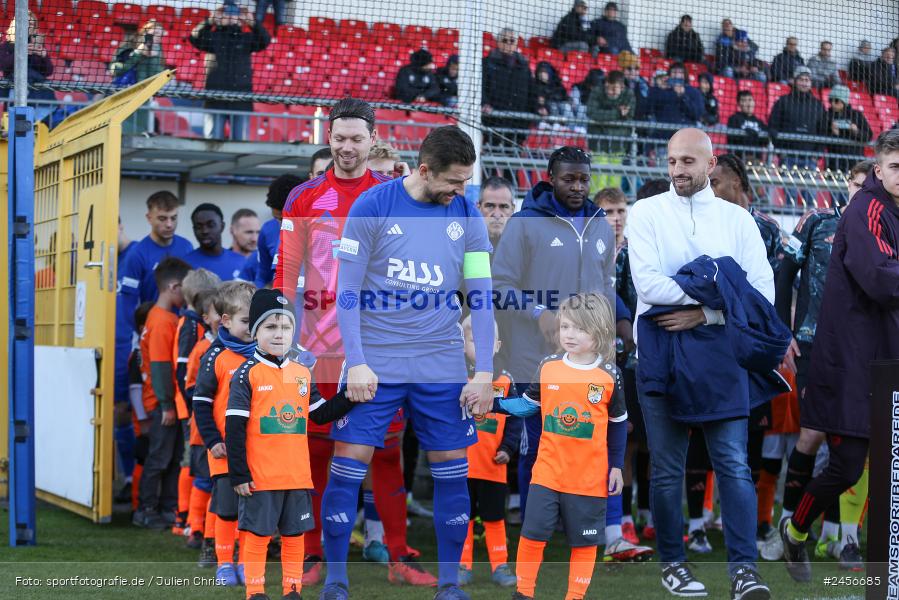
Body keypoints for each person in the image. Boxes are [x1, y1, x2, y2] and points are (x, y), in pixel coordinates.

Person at [320, 126, 494, 600]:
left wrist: (483, 374)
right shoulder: (373, 206)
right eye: (454, 183)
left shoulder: (467, 215)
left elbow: (480, 299)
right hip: (375, 364)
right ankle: (335, 581)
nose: (461, 192)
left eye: (466, 183)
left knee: (451, 472)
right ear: (423, 170)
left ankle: (450, 585)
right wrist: (355, 362)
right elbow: (347, 293)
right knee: (348, 468)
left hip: (441, 364)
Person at [628, 128, 777, 598]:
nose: (678, 171)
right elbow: (648, 287)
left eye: (688, 162)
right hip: (660, 351)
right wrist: (725, 294)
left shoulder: (738, 220)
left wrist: (706, 312)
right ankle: (674, 563)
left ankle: (744, 571)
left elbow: (764, 294)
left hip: (720, 355)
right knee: (668, 468)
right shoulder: (646, 211)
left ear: (710, 165)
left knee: (733, 463)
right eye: (672, 161)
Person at [275, 98, 412, 588]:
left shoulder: (393, 193)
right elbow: (286, 273)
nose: (348, 147)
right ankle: (313, 558)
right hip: (318, 348)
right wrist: (284, 340)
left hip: (378, 347)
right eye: (340, 138)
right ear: (328, 138)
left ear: (372, 139)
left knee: (388, 451)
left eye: (357, 138)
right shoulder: (303, 198)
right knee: (312, 450)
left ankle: (399, 556)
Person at [778, 129, 899, 583]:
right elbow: (881, 278)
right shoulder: (866, 209)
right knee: (848, 466)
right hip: (854, 362)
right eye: (895, 167)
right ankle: (795, 531)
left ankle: (880, 566)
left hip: (887, 358)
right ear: (878, 168)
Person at [492, 146, 616, 525]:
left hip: (590, 361)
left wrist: (610, 330)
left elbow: (607, 284)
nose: (578, 186)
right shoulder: (524, 223)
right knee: (539, 447)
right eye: (569, 179)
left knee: (587, 442)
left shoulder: (599, 223)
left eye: (583, 179)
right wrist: (540, 314)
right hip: (536, 359)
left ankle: (583, 527)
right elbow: (499, 285)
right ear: (550, 178)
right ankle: (534, 529)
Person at [226, 289, 355, 600]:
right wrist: (240, 475)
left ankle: (292, 590)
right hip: (261, 477)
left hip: (297, 476)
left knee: (295, 534)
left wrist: (350, 394)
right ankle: (255, 592)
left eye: (285, 327)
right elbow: (234, 428)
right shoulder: (246, 374)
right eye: (270, 327)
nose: (279, 334)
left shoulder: (301, 373)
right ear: (255, 332)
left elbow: (321, 414)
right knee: (257, 535)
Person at [496, 293, 627, 600]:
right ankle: (523, 593)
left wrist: (617, 466)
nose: (569, 334)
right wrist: (493, 405)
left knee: (584, 543)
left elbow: (619, 423)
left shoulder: (609, 375)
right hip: (547, 474)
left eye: (579, 328)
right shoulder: (548, 366)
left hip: (589, 480)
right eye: (565, 326)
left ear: (598, 332)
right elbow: (527, 406)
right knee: (532, 534)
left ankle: (574, 596)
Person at [594, 187, 652, 547]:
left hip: (631, 361)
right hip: (594, 361)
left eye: (620, 211)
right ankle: (613, 520)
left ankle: (628, 519)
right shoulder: (588, 254)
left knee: (631, 439)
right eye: (608, 212)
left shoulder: (636, 253)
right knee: (614, 443)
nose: (616, 218)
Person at [116, 192, 194, 455]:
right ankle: (137, 481)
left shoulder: (185, 247)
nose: (168, 224)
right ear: (149, 218)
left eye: (173, 218)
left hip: (180, 334)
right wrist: (139, 335)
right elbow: (127, 306)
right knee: (145, 406)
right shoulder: (137, 254)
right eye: (162, 218)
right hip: (151, 335)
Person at [193, 280, 258, 586]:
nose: (253, 327)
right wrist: (213, 440)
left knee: (252, 511)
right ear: (226, 321)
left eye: (257, 320)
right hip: (224, 451)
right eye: (246, 321)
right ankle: (224, 564)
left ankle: (246, 563)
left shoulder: (266, 356)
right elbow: (201, 404)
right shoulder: (214, 357)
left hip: (258, 452)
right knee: (228, 510)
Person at [456, 316, 520, 588]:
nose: (480, 346)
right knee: (463, 517)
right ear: (463, 345)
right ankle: (462, 565)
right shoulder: (457, 378)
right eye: (473, 340)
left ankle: (500, 565)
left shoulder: (506, 382)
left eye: (486, 341)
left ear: (497, 345)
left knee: (495, 517)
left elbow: (516, 420)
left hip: (494, 467)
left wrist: (508, 448)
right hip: (462, 467)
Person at [133, 257, 193, 529]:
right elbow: (159, 367)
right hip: (162, 403)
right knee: (158, 458)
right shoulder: (161, 321)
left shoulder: (165, 318)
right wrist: (167, 404)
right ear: (173, 286)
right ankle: (146, 510)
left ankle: (168, 507)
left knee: (170, 457)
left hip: (167, 402)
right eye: (186, 289)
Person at [172, 268, 222, 538]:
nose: (223, 319)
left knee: (214, 479)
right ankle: (191, 524)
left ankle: (203, 529)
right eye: (218, 312)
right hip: (197, 421)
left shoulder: (227, 347)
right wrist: (195, 410)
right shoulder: (195, 338)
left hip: (214, 423)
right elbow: (186, 378)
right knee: (197, 471)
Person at [189, 2, 271, 140]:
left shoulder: (247, 38)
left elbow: (265, 40)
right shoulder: (212, 37)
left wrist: (253, 23)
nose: (232, 18)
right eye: (227, 15)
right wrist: (210, 21)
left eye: (235, 16)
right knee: (212, 141)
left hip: (241, 98)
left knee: (240, 142)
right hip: (215, 97)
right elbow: (194, 37)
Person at [183, 288, 221, 563]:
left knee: (222, 487)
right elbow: (192, 391)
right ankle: (197, 529)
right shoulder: (201, 349)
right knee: (207, 482)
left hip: (230, 432)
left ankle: (216, 537)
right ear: (206, 317)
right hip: (206, 432)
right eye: (219, 313)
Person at [768, 66, 825, 194]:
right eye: (801, 79)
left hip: (810, 158)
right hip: (788, 157)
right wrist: (781, 152)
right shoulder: (782, 101)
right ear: (794, 81)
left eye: (807, 80)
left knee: (810, 198)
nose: (804, 83)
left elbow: (823, 131)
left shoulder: (818, 105)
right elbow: (773, 126)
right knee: (790, 196)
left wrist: (817, 155)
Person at [108, 20, 167, 133]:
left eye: (160, 35)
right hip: (124, 95)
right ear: (144, 32)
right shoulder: (129, 46)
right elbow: (116, 70)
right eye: (154, 34)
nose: (157, 38)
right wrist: (138, 53)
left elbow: (158, 78)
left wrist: (152, 58)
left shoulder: (158, 51)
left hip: (144, 100)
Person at [482, 28, 534, 147]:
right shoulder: (487, 63)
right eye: (504, 40)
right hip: (494, 120)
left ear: (516, 43)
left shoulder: (524, 66)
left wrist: (538, 108)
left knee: (514, 156)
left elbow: (532, 90)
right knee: (492, 155)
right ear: (498, 42)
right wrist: (484, 103)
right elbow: (481, 87)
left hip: (517, 122)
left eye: (512, 41)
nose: (508, 44)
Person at [0, 11, 54, 123]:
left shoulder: (36, 44)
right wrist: (20, 53)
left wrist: (43, 57)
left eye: (31, 24)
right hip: (14, 91)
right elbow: (3, 66)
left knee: (39, 126)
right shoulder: (6, 46)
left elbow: (48, 71)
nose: (28, 26)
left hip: (38, 95)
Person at [817, 84, 873, 174]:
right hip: (835, 163)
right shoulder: (826, 116)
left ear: (844, 101)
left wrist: (856, 131)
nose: (832, 103)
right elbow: (821, 138)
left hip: (855, 163)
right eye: (831, 100)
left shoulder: (856, 115)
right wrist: (834, 133)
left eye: (836, 100)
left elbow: (869, 136)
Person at [186, 203, 247, 281]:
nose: (205, 231)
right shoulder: (185, 265)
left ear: (222, 226)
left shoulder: (241, 262)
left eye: (211, 225)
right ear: (193, 229)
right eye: (199, 227)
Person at [586, 70, 636, 154]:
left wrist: (603, 115)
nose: (609, 91)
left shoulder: (629, 95)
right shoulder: (596, 91)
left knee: (617, 166)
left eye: (613, 89)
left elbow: (629, 116)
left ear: (622, 87)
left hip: (619, 144)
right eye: (608, 87)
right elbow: (592, 113)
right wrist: (618, 113)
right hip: (598, 144)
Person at [477, 176, 516, 251]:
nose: (497, 215)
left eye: (503, 206)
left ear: (512, 209)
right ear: (478, 208)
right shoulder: (464, 244)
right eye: (490, 206)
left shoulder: (525, 246)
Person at [726, 91, 769, 159]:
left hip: (756, 160)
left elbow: (765, 141)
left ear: (754, 102)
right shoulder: (734, 119)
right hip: (739, 159)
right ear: (739, 104)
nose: (748, 104)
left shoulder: (759, 122)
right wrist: (745, 134)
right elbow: (731, 138)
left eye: (750, 100)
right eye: (744, 101)